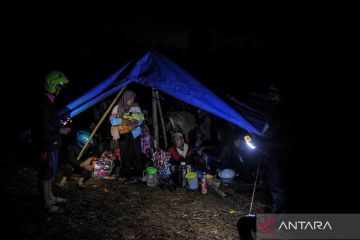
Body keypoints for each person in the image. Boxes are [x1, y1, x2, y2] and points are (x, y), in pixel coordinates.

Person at [32, 70, 71, 213]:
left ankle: (50, 197)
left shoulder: (49, 100)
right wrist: (60, 130)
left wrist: (60, 124)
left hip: (51, 142)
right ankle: (45, 203)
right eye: (59, 86)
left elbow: (50, 121)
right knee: (45, 173)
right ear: (52, 85)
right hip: (45, 143)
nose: (60, 89)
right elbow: (42, 125)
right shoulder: (43, 102)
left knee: (49, 172)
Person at [109, 90, 144, 181]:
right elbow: (112, 120)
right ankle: (125, 174)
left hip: (134, 132)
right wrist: (123, 120)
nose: (131, 100)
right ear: (125, 98)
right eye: (129, 99)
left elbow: (141, 120)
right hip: (123, 133)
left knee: (136, 152)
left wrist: (136, 121)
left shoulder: (136, 107)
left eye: (132, 98)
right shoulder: (117, 107)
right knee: (124, 153)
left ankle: (138, 173)